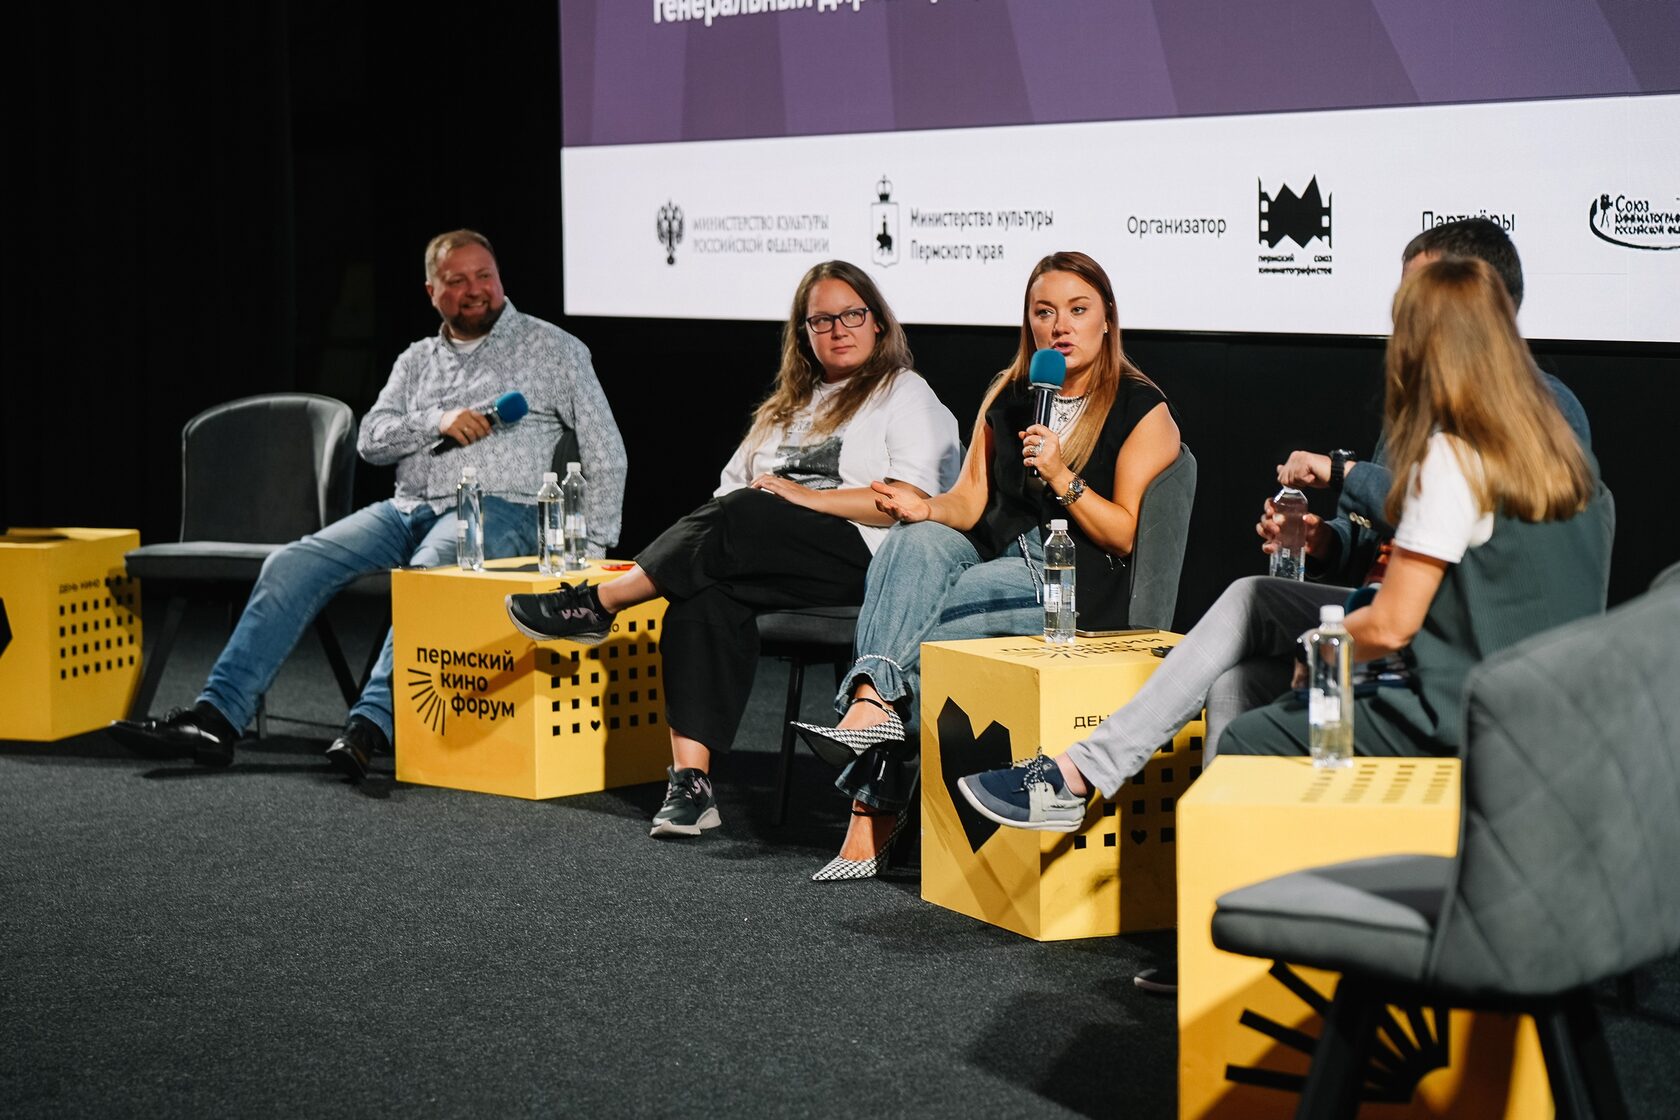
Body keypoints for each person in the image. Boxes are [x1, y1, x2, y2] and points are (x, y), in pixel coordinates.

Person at [958, 256, 1610, 834]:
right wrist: (1327, 545)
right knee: (1241, 659)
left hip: (1447, 694)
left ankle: (1091, 788)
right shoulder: (1565, 461)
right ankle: (1186, 892)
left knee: (1249, 729)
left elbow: (1394, 621)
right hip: (1528, 694)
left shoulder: (1454, 454)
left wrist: (1317, 652)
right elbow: (1439, 553)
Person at [110, 229, 628, 778]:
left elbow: (606, 451)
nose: (475, 289)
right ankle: (216, 718)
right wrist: (435, 421)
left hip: (498, 510)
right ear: (431, 291)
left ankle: (370, 725)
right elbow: (372, 440)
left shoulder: (554, 349)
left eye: (485, 276)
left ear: (500, 279)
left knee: (426, 575)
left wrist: (593, 551)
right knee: (290, 563)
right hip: (405, 509)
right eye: (457, 280)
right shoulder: (416, 360)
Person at [504, 260, 961, 839]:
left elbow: (909, 499)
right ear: (804, 334)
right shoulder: (785, 407)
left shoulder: (904, 393)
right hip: (770, 553)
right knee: (701, 593)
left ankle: (601, 602)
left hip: (867, 557)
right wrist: (761, 512)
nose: (838, 329)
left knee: (748, 514)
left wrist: (807, 499)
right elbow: (726, 497)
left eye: (852, 315)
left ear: (877, 322)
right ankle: (691, 786)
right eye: (821, 320)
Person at [793, 251, 1183, 881]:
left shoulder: (1141, 408)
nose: (1060, 326)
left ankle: (874, 807)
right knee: (911, 542)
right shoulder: (1012, 393)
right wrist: (923, 507)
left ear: (1107, 318)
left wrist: (1062, 474)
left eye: (1078, 310)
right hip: (998, 551)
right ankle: (872, 702)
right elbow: (969, 501)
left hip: (1071, 578)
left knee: (932, 632)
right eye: (1044, 312)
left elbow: (1124, 536)